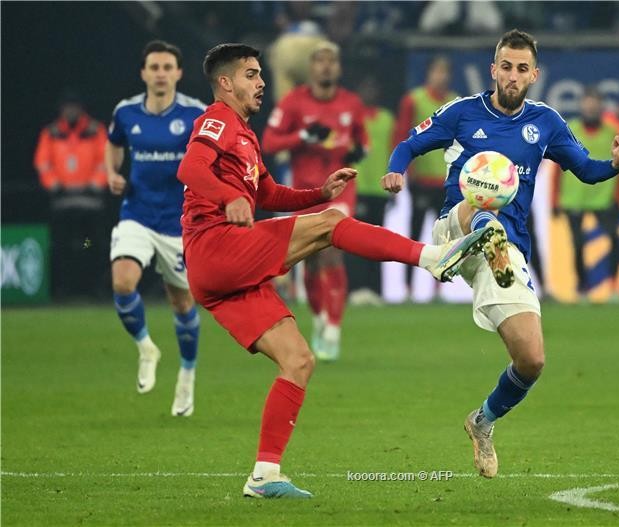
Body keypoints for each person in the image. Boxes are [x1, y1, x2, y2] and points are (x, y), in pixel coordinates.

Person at [177, 43, 500, 499]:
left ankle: (264, 474)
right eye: (251, 75)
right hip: (216, 246)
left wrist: (318, 193)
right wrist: (228, 197)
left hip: (222, 273)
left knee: (298, 361)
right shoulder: (217, 119)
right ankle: (431, 258)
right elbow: (190, 168)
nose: (262, 82)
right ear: (225, 83)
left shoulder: (244, 134)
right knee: (331, 225)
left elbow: (266, 193)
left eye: (261, 74)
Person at [382, 29, 619, 478]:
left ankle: (482, 421)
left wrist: (614, 164)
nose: (513, 76)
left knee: (532, 360)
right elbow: (408, 144)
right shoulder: (461, 112)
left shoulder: (546, 122)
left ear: (534, 75)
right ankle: (471, 242)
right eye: (506, 66)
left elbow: (585, 169)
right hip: (456, 226)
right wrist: (395, 171)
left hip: (506, 251)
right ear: (493, 69)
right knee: (481, 203)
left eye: (522, 68)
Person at [105, 40, 206, 416]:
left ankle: (187, 376)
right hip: (138, 214)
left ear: (178, 73)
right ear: (143, 73)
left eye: (167, 67)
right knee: (122, 282)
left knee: (182, 304)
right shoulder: (126, 111)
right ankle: (146, 347)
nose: (160, 74)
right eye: (154, 67)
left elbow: (214, 156)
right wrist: (112, 173)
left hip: (180, 223)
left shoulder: (196, 114)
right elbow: (114, 143)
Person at [261, 40, 367, 362]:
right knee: (309, 260)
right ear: (311, 68)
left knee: (332, 253)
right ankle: (320, 317)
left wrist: (358, 151)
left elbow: (362, 141)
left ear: (339, 67)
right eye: (320, 60)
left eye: (331, 60)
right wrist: (304, 136)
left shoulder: (351, 103)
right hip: (305, 195)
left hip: (340, 192)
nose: (326, 66)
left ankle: (333, 327)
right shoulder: (294, 102)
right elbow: (269, 141)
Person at [393, 56, 459, 301]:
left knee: (444, 237)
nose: (441, 77)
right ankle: (408, 289)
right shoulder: (414, 100)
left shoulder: (456, 102)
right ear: (429, 74)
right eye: (437, 71)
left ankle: (438, 289)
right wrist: (401, 170)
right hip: (421, 181)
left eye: (445, 72)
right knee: (415, 233)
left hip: (446, 182)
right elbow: (401, 136)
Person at [551, 87, 619, 301]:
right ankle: (583, 289)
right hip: (574, 197)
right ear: (582, 106)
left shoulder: (612, 132)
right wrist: (554, 200)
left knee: (615, 240)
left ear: (601, 107)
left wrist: (618, 198)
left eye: (595, 104)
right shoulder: (570, 130)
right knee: (578, 245)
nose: (591, 108)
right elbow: (557, 167)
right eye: (587, 104)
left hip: (603, 198)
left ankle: (614, 288)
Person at [34, 92, 108, 300]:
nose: (71, 111)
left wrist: (95, 184)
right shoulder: (51, 133)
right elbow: (42, 163)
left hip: (90, 204)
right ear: (61, 110)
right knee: (62, 246)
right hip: (62, 203)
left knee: (89, 244)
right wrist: (54, 185)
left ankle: (92, 288)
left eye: (74, 106)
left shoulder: (95, 131)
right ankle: (63, 288)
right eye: (67, 107)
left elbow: (105, 160)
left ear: (81, 109)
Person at [347, 75, 396, 306]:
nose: (369, 93)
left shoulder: (387, 119)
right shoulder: (351, 117)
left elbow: (393, 149)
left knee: (377, 241)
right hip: (357, 187)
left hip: (379, 189)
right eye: (365, 88)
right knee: (356, 240)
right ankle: (356, 289)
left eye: (372, 88)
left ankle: (375, 290)